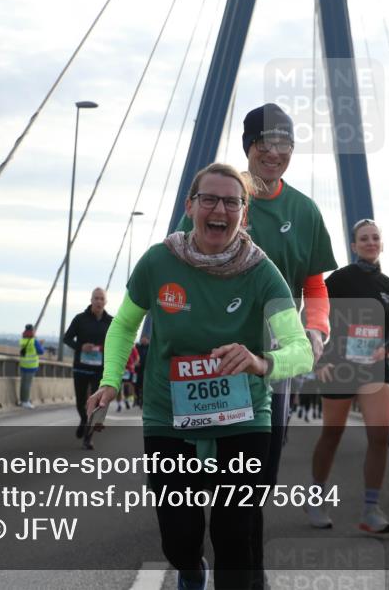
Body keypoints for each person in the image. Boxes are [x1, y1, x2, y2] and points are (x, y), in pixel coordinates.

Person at [87, 162, 313, 589]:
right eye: (209, 199)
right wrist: (111, 380)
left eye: (231, 202)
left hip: (243, 418)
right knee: (180, 537)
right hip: (168, 415)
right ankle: (190, 570)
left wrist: (261, 362)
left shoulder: (262, 272)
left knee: (234, 535)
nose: (219, 209)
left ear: (243, 215)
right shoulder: (159, 261)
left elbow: (301, 351)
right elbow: (123, 325)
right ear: (190, 206)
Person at [177, 103, 336, 586]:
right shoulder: (219, 199)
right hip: (213, 355)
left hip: (272, 358)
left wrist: (317, 327)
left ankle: (248, 574)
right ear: (248, 147)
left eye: (284, 146)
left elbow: (314, 283)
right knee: (201, 476)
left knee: (254, 479)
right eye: (264, 145)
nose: (274, 154)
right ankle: (191, 555)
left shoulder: (304, 210)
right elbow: (184, 266)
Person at [305, 219, 389, 533]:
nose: (371, 242)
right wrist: (318, 358)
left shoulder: (388, 285)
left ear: (381, 243)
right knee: (332, 434)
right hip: (339, 364)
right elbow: (314, 314)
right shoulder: (340, 279)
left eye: (376, 237)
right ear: (353, 245)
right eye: (364, 238)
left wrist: (385, 346)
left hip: (375, 367)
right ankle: (316, 496)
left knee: (380, 437)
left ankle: (371, 510)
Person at [63, 288, 113, 444]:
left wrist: (108, 349)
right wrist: (81, 346)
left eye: (101, 298)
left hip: (100, 370)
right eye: (96, 298)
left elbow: (118, 344)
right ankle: (84, 419)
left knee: (96, 403)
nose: (98, 301)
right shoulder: (80, 319)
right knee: (80, 402)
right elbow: (67, 338)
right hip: (81, 367)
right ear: (91, 300)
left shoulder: (111, 322)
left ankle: (89, 437)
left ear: (105, 302)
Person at [19, 323, 44, 408]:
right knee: (27, 384)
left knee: (23, 384)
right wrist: (40, 344)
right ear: (32, 331)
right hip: (31, 366)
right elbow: (41, 351)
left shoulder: (22, 340)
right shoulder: (34, 341)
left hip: (23, 364)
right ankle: (26, 401)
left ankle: (22, 401)